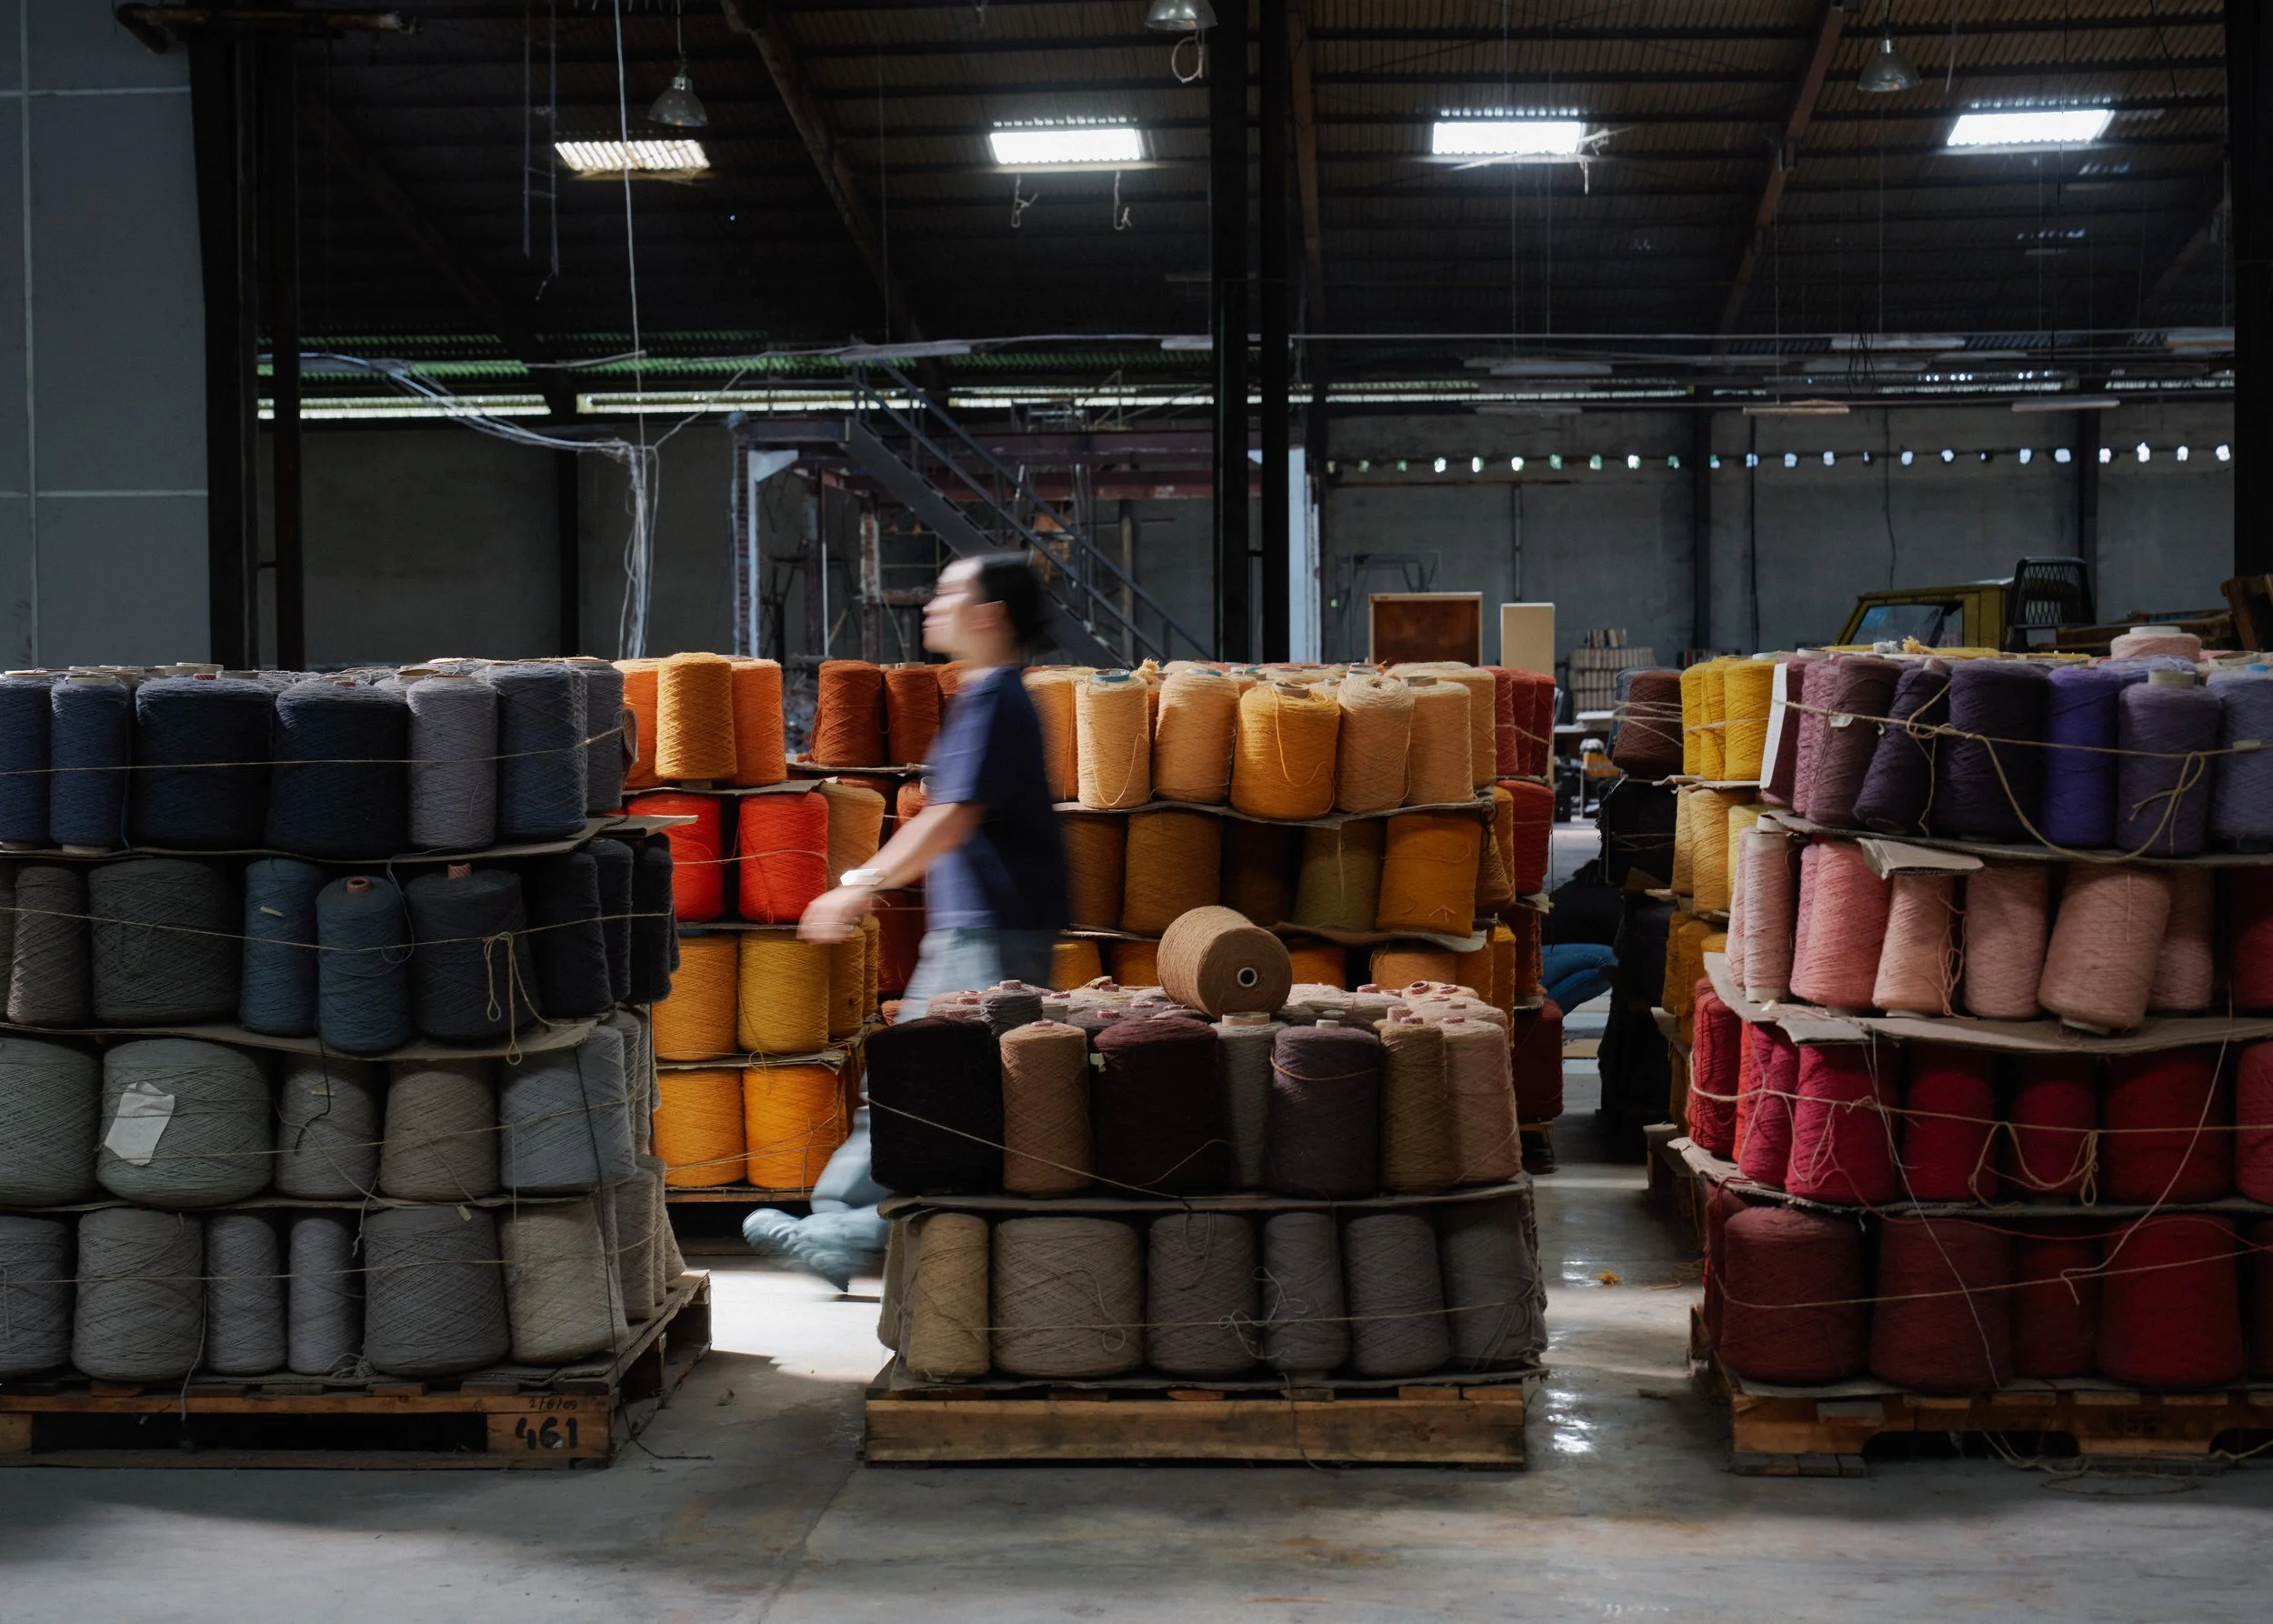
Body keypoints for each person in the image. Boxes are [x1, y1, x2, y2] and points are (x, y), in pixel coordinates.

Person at [741, 554, 1068, 1290]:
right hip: (981, 927)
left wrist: (856, 886)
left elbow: (952, 818)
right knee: (908, 1086)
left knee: (929, 1094)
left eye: (949, 592)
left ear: (989, 615)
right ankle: (835, 1224)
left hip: (990, 933)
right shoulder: (993, 697)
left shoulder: (994, 703)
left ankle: (851, 1236)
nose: (932, 603)